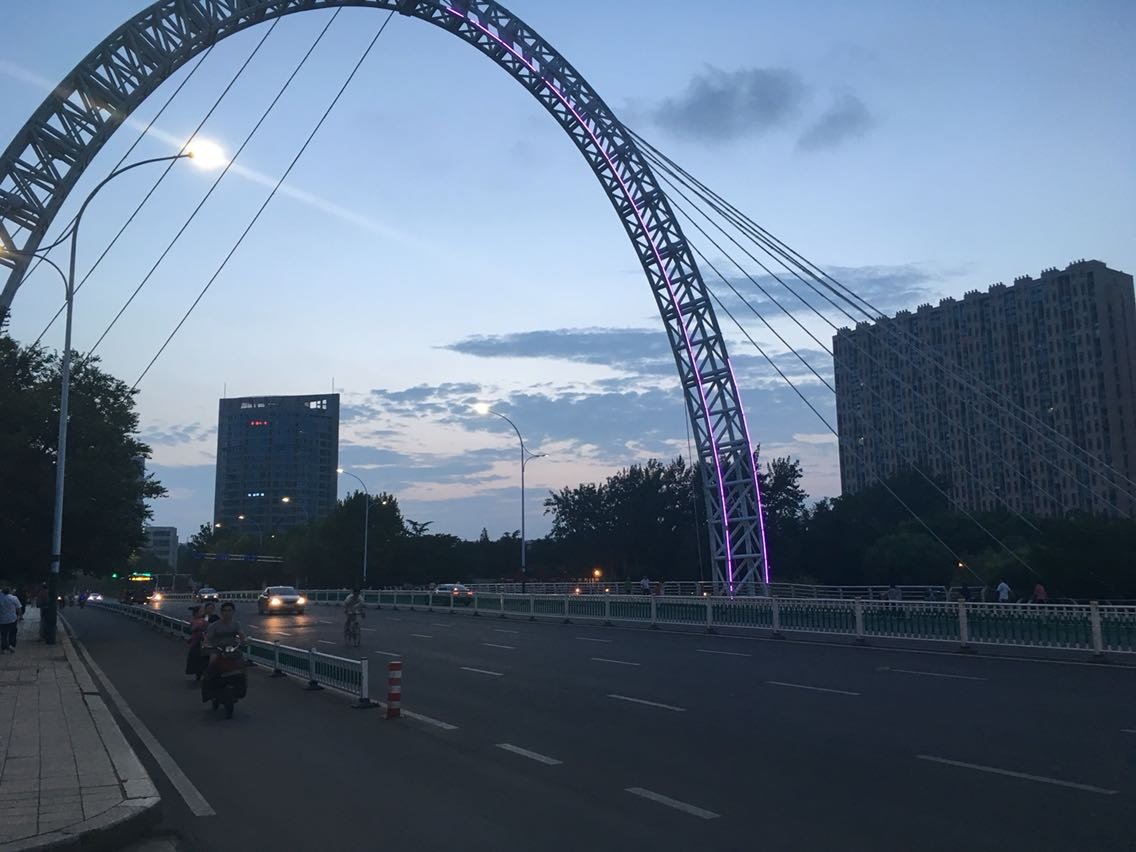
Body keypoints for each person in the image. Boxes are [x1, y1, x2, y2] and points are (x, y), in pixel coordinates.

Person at [185, 605, 208, 681]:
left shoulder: (202, 620)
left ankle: (200, 674)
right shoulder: (197, 621)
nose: (203, 612)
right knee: (198, 659)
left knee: (200, 659)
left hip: (202, 642)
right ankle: (199, 674)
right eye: (201, 611)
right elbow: (191, 630)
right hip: (197, 642)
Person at [0, 588, 19, 653]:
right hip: (12, 618)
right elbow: (18, 607)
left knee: (3, 634)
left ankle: (4, 648)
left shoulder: (0, 598)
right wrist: (19, 616)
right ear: (9, 591)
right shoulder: (14, 598)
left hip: (2, 619)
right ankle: (11, 645)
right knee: (12, 633)